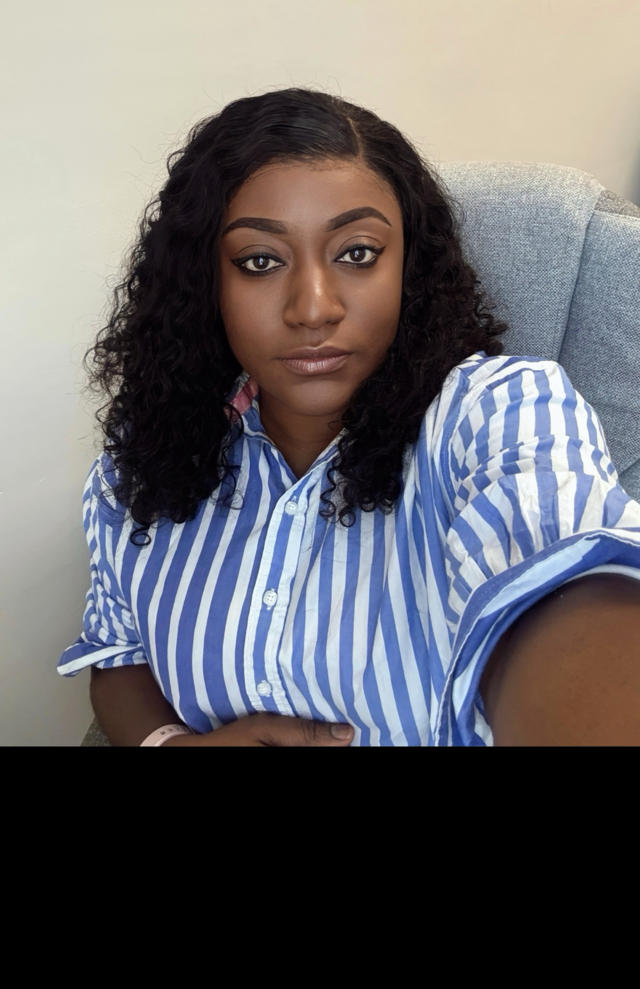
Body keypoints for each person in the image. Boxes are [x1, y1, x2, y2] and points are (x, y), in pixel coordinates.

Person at [58, 89, 640, 745]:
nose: (314, 308)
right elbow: (118, 653)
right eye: (259, 261)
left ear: (408, 268)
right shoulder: (144, 457)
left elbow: (569, 586)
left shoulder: (500, 411)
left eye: (357, 253)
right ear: (204, 283)